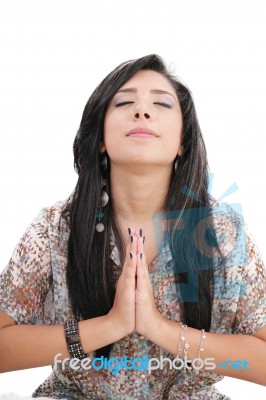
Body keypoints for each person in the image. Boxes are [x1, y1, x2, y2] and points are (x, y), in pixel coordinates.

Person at [0, 54, 265, 400]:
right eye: (124, 102)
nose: (142, 111)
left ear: (183, 141)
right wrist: (109, 326)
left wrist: (159, 328)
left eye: (161, 103)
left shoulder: (220, 232)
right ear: (100, 139)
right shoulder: (54, 229)